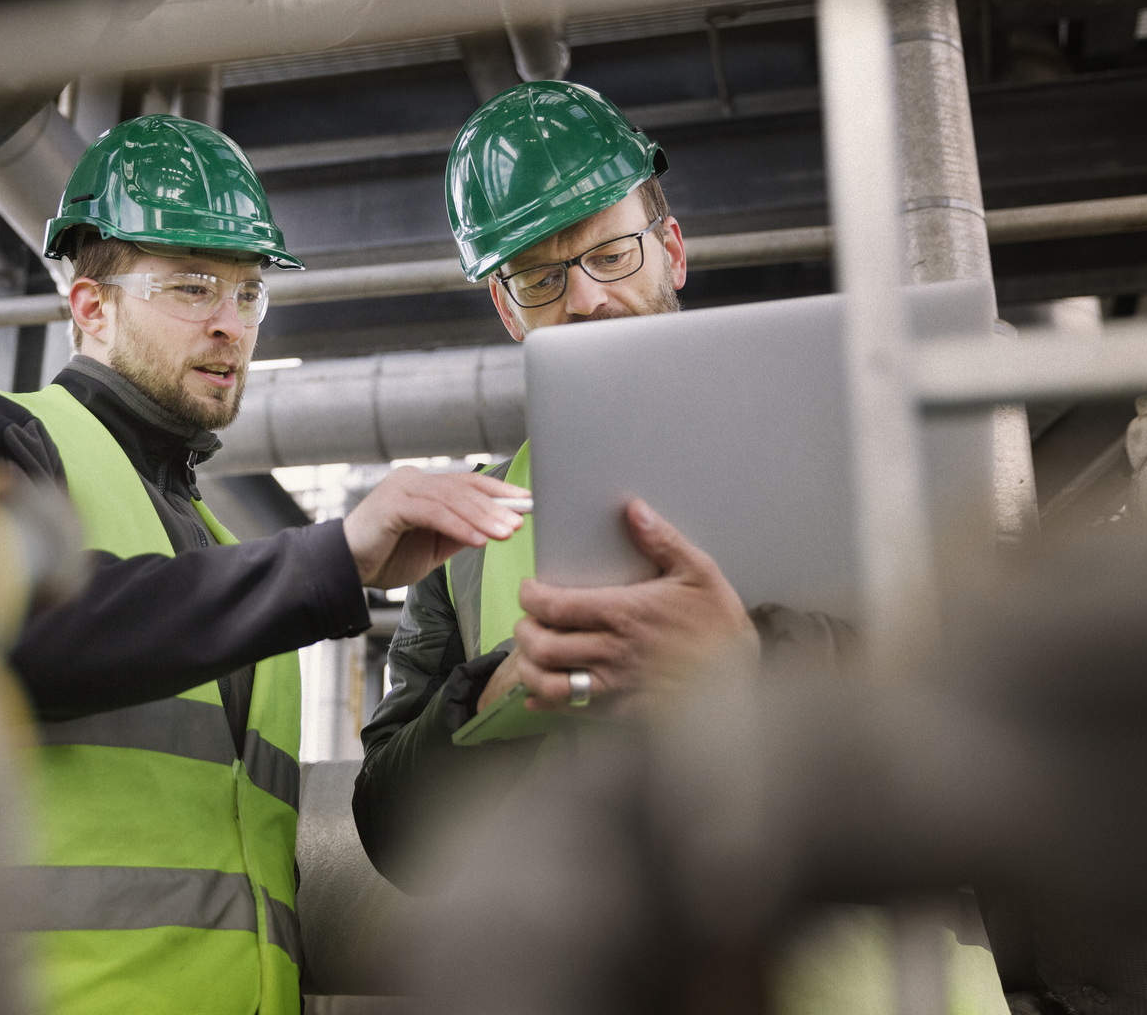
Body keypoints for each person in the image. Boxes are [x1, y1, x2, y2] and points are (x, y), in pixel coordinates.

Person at [0, 113, 528, 1015]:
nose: (230, 326)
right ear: (90, 307)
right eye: (190, 288)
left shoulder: (226, 559)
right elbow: (20, 635)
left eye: (249, 294)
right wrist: (329, 560)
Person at [352, 81, 857, 887]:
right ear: (508, 310)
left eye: (610, 253)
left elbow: (986, 716)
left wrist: (751, 662)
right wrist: (488, 700)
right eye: (540, 280)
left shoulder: (851, 445)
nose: (586, 300)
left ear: (674, 251)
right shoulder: (469, 534)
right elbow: (392, 834)